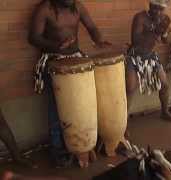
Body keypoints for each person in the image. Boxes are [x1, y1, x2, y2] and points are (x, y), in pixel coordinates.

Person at [28, 0, 111, 167]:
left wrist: (99, 39)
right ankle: (58, 149)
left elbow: (92, 27)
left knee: (85, 104)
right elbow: (33, 37)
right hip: (53, 60)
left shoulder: (78, 7)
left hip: (76, 58)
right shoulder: (45, 9)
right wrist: (56, 46)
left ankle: (85, 142)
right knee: (56, 107)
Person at [126, 0, 171, 121]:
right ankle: (122, 124)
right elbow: (135, 41)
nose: (158, 12)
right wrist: (155, 32)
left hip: (150, 56)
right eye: (155, 8)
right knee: (130, 88)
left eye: (161, 9)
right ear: (150, 5)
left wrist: (165, 34)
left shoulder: (164, 18)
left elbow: (168, 40)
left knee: (164, 85)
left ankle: (164, 112)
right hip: (134, 57)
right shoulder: (140, 18)